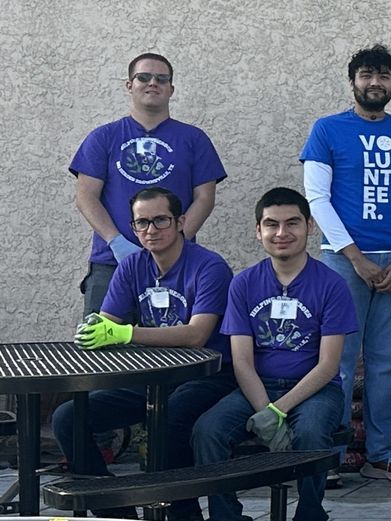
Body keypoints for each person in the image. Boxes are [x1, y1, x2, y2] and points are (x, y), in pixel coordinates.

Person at [300, 44, 391, 482]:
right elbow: (316, 199)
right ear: (353, 81)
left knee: (385, 362)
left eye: (383, 76)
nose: (375, 83)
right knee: (337, 361)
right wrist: (355, 257)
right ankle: (329, 456)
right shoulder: (327, 129)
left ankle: (382, 455)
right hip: (342, 261)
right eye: (366, 74)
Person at [59, 187, 235, 520]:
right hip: (153, 377)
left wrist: (127, 334)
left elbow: (196, 335)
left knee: (169, 418)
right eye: (142, 223)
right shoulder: (131, 266)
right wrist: (95, 330)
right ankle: (116, 512)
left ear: (180, 222)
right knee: (68, 418)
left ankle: (183, 515)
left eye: (160, 220)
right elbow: (107, 323)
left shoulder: (209, 266)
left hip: (209, 375)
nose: (151, 230)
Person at [193, 187, 353, 521]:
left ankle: (310, 515)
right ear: (258, 231)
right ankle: (226, 517)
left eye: (292, 223)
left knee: (310, 432)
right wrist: (264, 408)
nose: (282, 233)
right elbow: (242, 361)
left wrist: (278, 411)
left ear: (309, 226)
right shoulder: (243, 284)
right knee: (208, 430)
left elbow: (328, 365)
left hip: (316, 390)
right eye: (271, 224)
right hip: (257, 385)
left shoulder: (332, 284)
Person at [71, 53, 226, 316]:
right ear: (129, 85)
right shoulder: (103, 137)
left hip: (177, 266)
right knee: (101, 340)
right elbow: (86, 197)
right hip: (111, 263)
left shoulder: (194, 139)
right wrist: (117, 243)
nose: (153, 83)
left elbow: (205, 198)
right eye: (143, 77)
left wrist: (174, 242)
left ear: (171, 89)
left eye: (161, 79)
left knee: (174, 341)